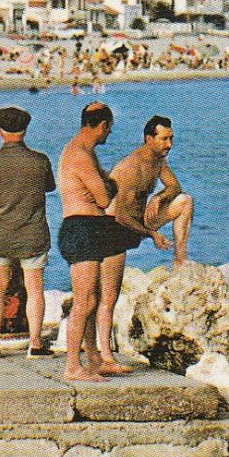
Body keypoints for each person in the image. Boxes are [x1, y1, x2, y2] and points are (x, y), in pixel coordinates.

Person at [56, 101, 130, 381]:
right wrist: (109, 184)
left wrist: (106, 184)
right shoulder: (80, 156)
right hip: (81, 228)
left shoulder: (84, 152)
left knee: (92, 298)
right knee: (85, 300)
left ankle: (94, 358)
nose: (109, 135)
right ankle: (72, 366)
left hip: (89, 227)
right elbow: (104, 197)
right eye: (109, 129)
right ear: (102, 126)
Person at [0, 105, 55, 358]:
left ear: (0, 131)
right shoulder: (40, 161)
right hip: (33, 234)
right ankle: (35, 343)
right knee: (35, 289)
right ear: (26, 130)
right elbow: (48, 188)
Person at [108, 114, 193, 269]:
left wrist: (157, 198)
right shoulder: (131, 167)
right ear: (149, 139)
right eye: (164, 139)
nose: (169, 145)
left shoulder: (158, 159)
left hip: (140, 221)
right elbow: (121, 216)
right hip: (115, 229)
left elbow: (175, 187)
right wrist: (153, 234)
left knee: (185, 201)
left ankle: (180, 263)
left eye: (171, 138)